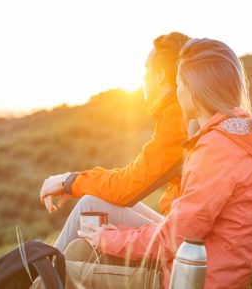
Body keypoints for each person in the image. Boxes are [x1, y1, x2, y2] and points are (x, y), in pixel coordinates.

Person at [77, 38, 252, 288]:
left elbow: (174, 239)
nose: (177, 93)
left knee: (66, 267)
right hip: (216, 267)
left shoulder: (217, 149)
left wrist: (108, 239)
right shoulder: (242, 131)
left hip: (194, 280)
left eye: (179, 84)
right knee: (80, 249)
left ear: (192, 88)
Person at [39, 32, 197, 252]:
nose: (143, 79)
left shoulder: (177, 117)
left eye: (146, 71)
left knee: (88, 205)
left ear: (160, 75)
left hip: (190, 245)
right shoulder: (181, 113)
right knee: (93, 201)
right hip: (188, 232)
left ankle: (39, 282)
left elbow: (126, 187)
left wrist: (70, 181)